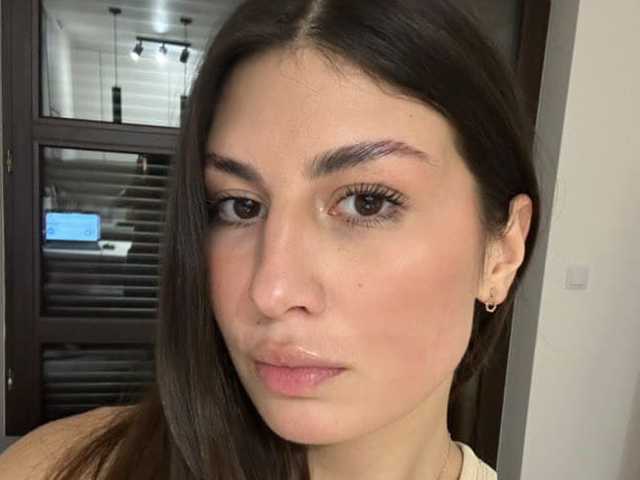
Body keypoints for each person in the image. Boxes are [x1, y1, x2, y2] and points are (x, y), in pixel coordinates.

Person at [0, 0, 540, 479]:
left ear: (502, 253)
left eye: (366, 202)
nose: (271, 290)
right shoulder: (60, 468)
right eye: (240, 206)